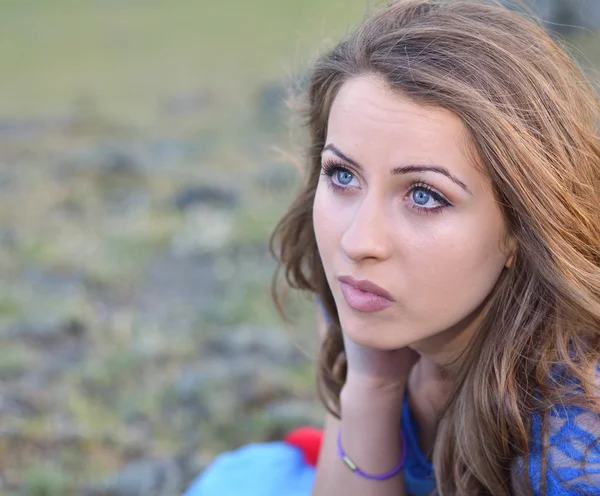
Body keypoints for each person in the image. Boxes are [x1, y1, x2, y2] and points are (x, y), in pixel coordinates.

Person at [185, 0, 600, 494]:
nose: (358, 241)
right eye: (343, 174)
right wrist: (369, 385)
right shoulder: (367, 293)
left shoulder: (575, 452)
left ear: (522, 226)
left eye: (424, 195)